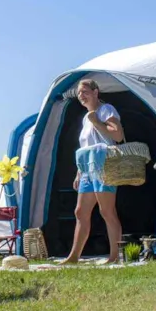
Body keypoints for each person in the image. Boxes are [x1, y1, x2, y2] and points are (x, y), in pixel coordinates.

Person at [63, 78, 125, 264]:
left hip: (103, 163)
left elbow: (118, 135)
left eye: (85, 91)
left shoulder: (106, 110)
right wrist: (78, 173)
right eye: (79, 93)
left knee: (107, 211)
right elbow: (86, 146)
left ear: (96, 92)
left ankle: (115, 256)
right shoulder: (85, 118)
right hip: (87, 168)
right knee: (80, 211)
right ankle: (74, 256)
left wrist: (96, 121)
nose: (81, 95)